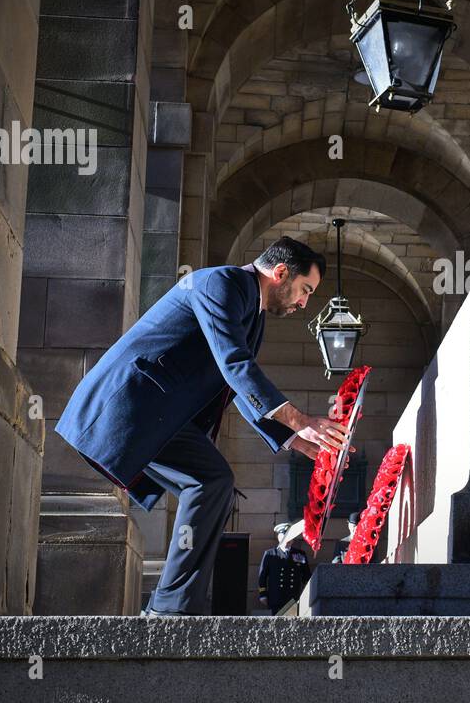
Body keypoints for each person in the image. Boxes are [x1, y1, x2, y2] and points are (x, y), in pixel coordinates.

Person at [54, 236, 349, 616]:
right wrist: (300, 418)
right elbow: (235, 364)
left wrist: (290, 436)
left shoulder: (250, 313)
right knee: (211, 481)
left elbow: (235, 386)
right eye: (305, 290)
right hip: (132, 407)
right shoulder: (220, 283)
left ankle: (171, 607)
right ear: (280, 273)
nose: (304, 303)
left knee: (212, 482)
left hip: (159, 416)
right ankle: (170, 609)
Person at [258, 522, 312, 613]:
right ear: (279, 537)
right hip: (276, 597)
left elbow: (306, 577)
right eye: (284, 536)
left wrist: (306, 596)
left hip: (293, 597)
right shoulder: (270, 554)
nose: (288, 539)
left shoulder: (300, 554)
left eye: (290, 537)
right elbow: (262, 576)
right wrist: (263, 594)